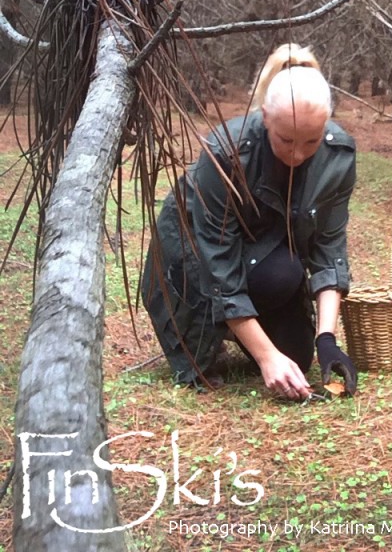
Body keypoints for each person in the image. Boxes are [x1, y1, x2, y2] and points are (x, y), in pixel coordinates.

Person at [141, 48, 357, 399]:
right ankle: (221, 327)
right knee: (201, 361)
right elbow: (217, 264)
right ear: (266, 117)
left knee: (297, 356)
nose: (298, 154)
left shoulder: (338, 156)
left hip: (262, 247)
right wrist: (266, 356)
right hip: (193, 249)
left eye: (311, 141)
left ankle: (244, 322)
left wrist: (327, 341)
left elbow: (329, 248)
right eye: (286, 140)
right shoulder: (226, 152)